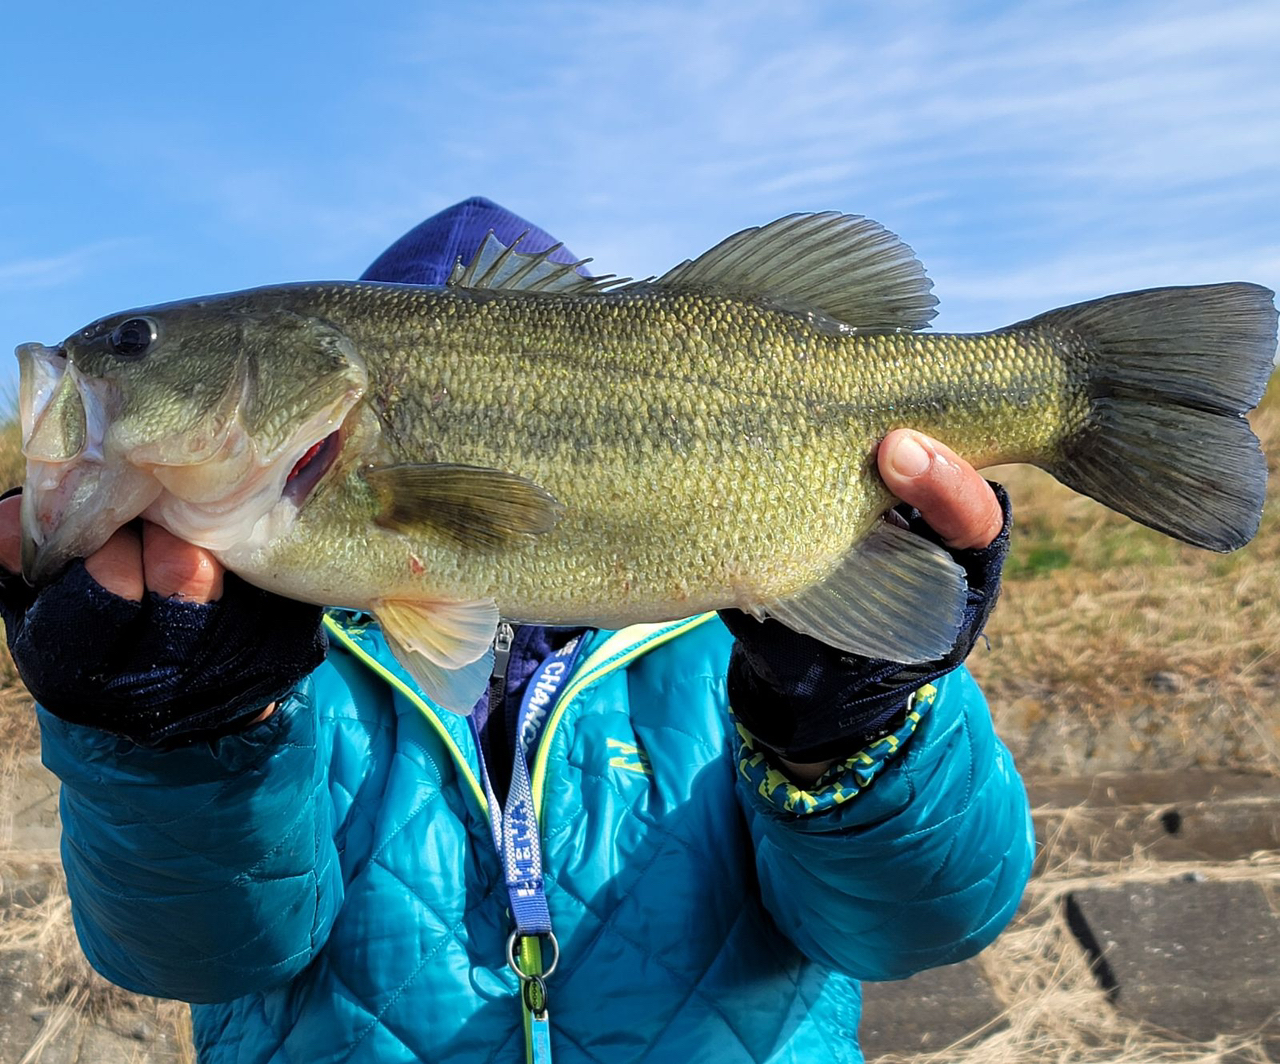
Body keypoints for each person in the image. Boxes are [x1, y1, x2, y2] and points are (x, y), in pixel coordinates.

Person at [0, 197, 1033, 1064]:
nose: (100, 362)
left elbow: (924, 922)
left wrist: (849, 729)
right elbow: (195, 955)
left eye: (132, 344)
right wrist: (174, 750)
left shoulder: (730, 635)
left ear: (316, 372)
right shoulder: (265, 647)